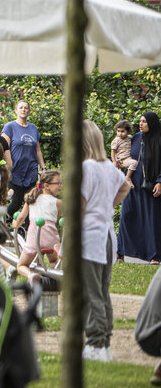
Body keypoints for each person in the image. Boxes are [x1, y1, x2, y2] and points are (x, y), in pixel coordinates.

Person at [80, 120, 132, 362]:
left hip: (90, 235)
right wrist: (108, 204)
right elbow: (126, 186)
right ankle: (104, 342)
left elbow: (79, 207)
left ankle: (95, 343)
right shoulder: (109, 167)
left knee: (91, 292)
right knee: (102, 291)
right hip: (107, 234)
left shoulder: (86, 168)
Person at [117, 112, 161, 263]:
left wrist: (160, 181)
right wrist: (119, 162)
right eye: (140, 121)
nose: (141, 124)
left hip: (150, 185)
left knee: (151, 221)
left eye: (144, 121)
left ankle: (154, 256)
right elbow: (125, 155)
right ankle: (121, 251)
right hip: (131, 185)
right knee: (126, 215)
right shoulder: (136, 137)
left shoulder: (159, 139)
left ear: (152, 123)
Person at [11, 169, 61, 281]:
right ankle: (58, 275)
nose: (60, 186)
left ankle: (31, 275)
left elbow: (21, 217)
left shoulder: (31, 199)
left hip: (34, 239)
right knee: (53, 261)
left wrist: (15, 224)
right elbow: (55, 220)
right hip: (51, 240)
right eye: (58, 183)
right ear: (47, 186)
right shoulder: (58, 203)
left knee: (21, 265)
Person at [2, 100, 46, 222]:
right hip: (15, 171)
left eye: (26, 108)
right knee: (15, 203)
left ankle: (27, 233)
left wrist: (43, 168)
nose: (23, 109)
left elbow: (38, 150)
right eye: (20, 107)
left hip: (30, 171)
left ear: (29, 111)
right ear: (16, 110)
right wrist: (6, 168)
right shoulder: (9, 127)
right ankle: (2, 225)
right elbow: (3, 148)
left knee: (30, 204)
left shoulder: (33, 128)